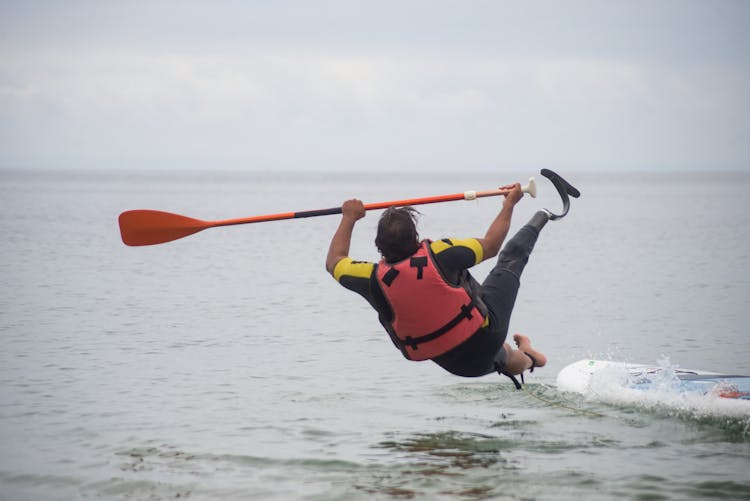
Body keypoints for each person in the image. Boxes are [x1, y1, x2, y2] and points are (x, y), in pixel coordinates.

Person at [325, 171, 579, 388]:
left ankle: (532, 358)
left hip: (454, 363)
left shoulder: (370, 279)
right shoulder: (441, 254)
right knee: (511, 258)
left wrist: (348, 218)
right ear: (415, 238)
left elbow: (334, 262)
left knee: (500, 356)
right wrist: (509, 204)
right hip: (484, 336)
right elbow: (491, 246)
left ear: (378, 245)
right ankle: (545, 213)